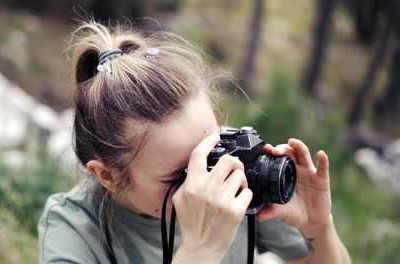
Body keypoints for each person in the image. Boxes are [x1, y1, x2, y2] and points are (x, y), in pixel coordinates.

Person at [38, 20, 351, 264]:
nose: (208, 180)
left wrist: (318, 228)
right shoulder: (73, 229)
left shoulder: (235, 174)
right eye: (181, 175)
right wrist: (199, 252)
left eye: (213, 152)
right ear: (108, 175)